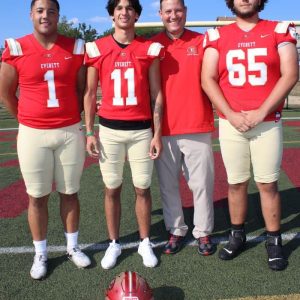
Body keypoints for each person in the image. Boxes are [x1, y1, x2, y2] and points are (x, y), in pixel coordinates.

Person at [201, 0, 298, 270]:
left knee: (268, 184)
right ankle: (237, 234)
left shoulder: (278, 29)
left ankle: (274, 239)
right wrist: (231, 114)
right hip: (232, 123)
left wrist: (261, 111)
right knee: (236, 183)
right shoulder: (217, 35)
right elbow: (207, 78)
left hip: (266, 121)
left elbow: (290, 74)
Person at [0, 0, 91, 280]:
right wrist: (27, 118)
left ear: (57, 15)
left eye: (51, 11)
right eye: (40, 10)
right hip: (33, 133)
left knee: (70, 192)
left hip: (68, 131)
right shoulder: (16, 48)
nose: (45, 15)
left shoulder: (75, 47)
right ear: (30, 15)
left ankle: (72, 247)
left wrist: (71, 118)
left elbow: (81, 89)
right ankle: (40, 252)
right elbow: (5, 92)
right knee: (36, 197)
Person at [84, 0, 164, 269]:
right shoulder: (98, 48)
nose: (124, 11)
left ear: (137, 15)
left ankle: (144, 241)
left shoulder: (148, 49)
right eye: (118, 7)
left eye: (129, 7)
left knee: (142, 188)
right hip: (109, 130)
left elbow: (156, 94)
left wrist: (157, 132)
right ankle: (114, 243)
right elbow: (89, 92)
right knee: (112, 189)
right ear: (112, 14)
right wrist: (89, 131)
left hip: (141, 130)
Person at [151, 0, 215, 256]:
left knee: (201, 185)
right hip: (162, 129)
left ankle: (203, 232)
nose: (173, 15)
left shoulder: (202, 42)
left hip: (196, 124)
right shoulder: (152, 45)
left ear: (185, 12)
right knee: (168, 186)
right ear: (161, 14)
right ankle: (176, 229)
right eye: (168, 11)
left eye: (178, 10)